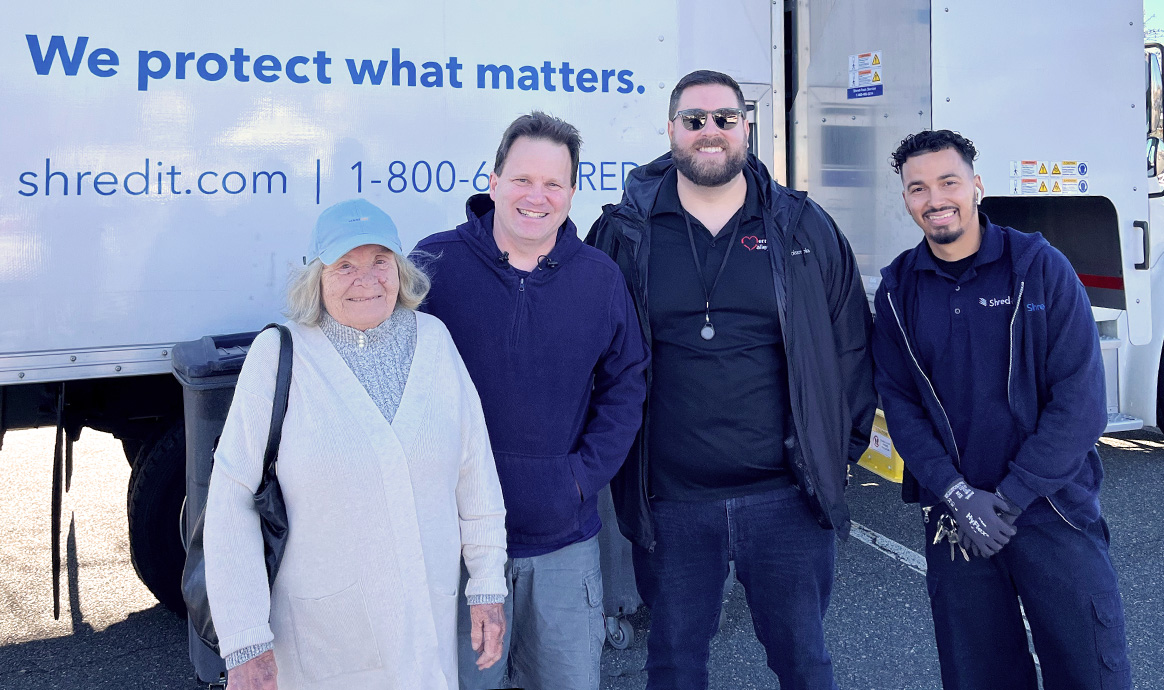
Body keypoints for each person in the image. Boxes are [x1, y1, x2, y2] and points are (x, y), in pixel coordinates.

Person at [586, 70, 875, 690]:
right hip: (670, 501)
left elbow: (851, 339)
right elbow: (592, 353)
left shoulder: (801, 225)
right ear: (671, 131)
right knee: (674, 665)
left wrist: (838, 449)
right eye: (694, 120)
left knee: (805, 664)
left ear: (746, 127)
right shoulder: (625, 233)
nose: (709, 132)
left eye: (725, 118)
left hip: (785, 499)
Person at [204, 199, 509, 690]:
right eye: (345, 264)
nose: (365, 279)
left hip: (422, 639)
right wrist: (245, 642)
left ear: (400, 270)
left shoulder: (435, 342)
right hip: (321, 646)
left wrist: (488, 586)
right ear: (316, 278)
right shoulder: (280, 355)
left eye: (380, 261)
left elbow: (476, 475)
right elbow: (230, 502)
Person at [872, 129, 1132, 689]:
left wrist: (1009, 500)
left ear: (977, 186)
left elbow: (1081, 406)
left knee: (1090, 669)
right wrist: (958, 495)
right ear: (906, 199)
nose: (935, 198)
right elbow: (902, 408)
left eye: (949, 181)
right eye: (918, 188)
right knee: (979, 675)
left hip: (1050, 508)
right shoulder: (898, 288)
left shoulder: (1040, 268)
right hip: (956, 515)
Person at [413, 112, 649, 690]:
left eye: (553, 183)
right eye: (522, 179)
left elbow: (626, 384)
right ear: (493, 182)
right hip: (457, 547)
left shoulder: (599, 277)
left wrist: (579, 477)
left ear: (571, 192)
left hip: (561, 542)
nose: (536, 196)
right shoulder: (433, 266)